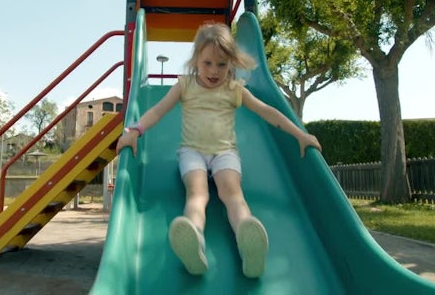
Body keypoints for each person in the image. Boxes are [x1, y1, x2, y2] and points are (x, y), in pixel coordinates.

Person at [116, 22, 322, 278]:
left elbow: (267, 111)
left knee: (232, 192)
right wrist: (134, 131)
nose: (214, 71)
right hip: (192, 152)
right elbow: (157, 111)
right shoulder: (185, 85)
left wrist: (299, 134)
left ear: (231, 64)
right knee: (198, 193)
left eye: (222, 65)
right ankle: (194, 238)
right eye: (208, 63)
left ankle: (248, 240)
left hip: (225, 153)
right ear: (196, 60)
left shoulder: (234, 90)